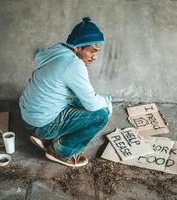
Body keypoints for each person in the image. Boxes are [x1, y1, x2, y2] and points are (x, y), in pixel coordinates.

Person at [19, 17, 112, 167]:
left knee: (78, 99)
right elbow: (92, 103)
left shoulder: (56, 50)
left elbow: (39, 59)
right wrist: (107, 102)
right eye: (92, 51)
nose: (95, 57)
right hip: (41, 125)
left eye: (98, 52)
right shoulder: (74, 65)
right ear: (78, 47)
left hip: (27, 117)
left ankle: (47, 137)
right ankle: (60, 151)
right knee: (101, 115)